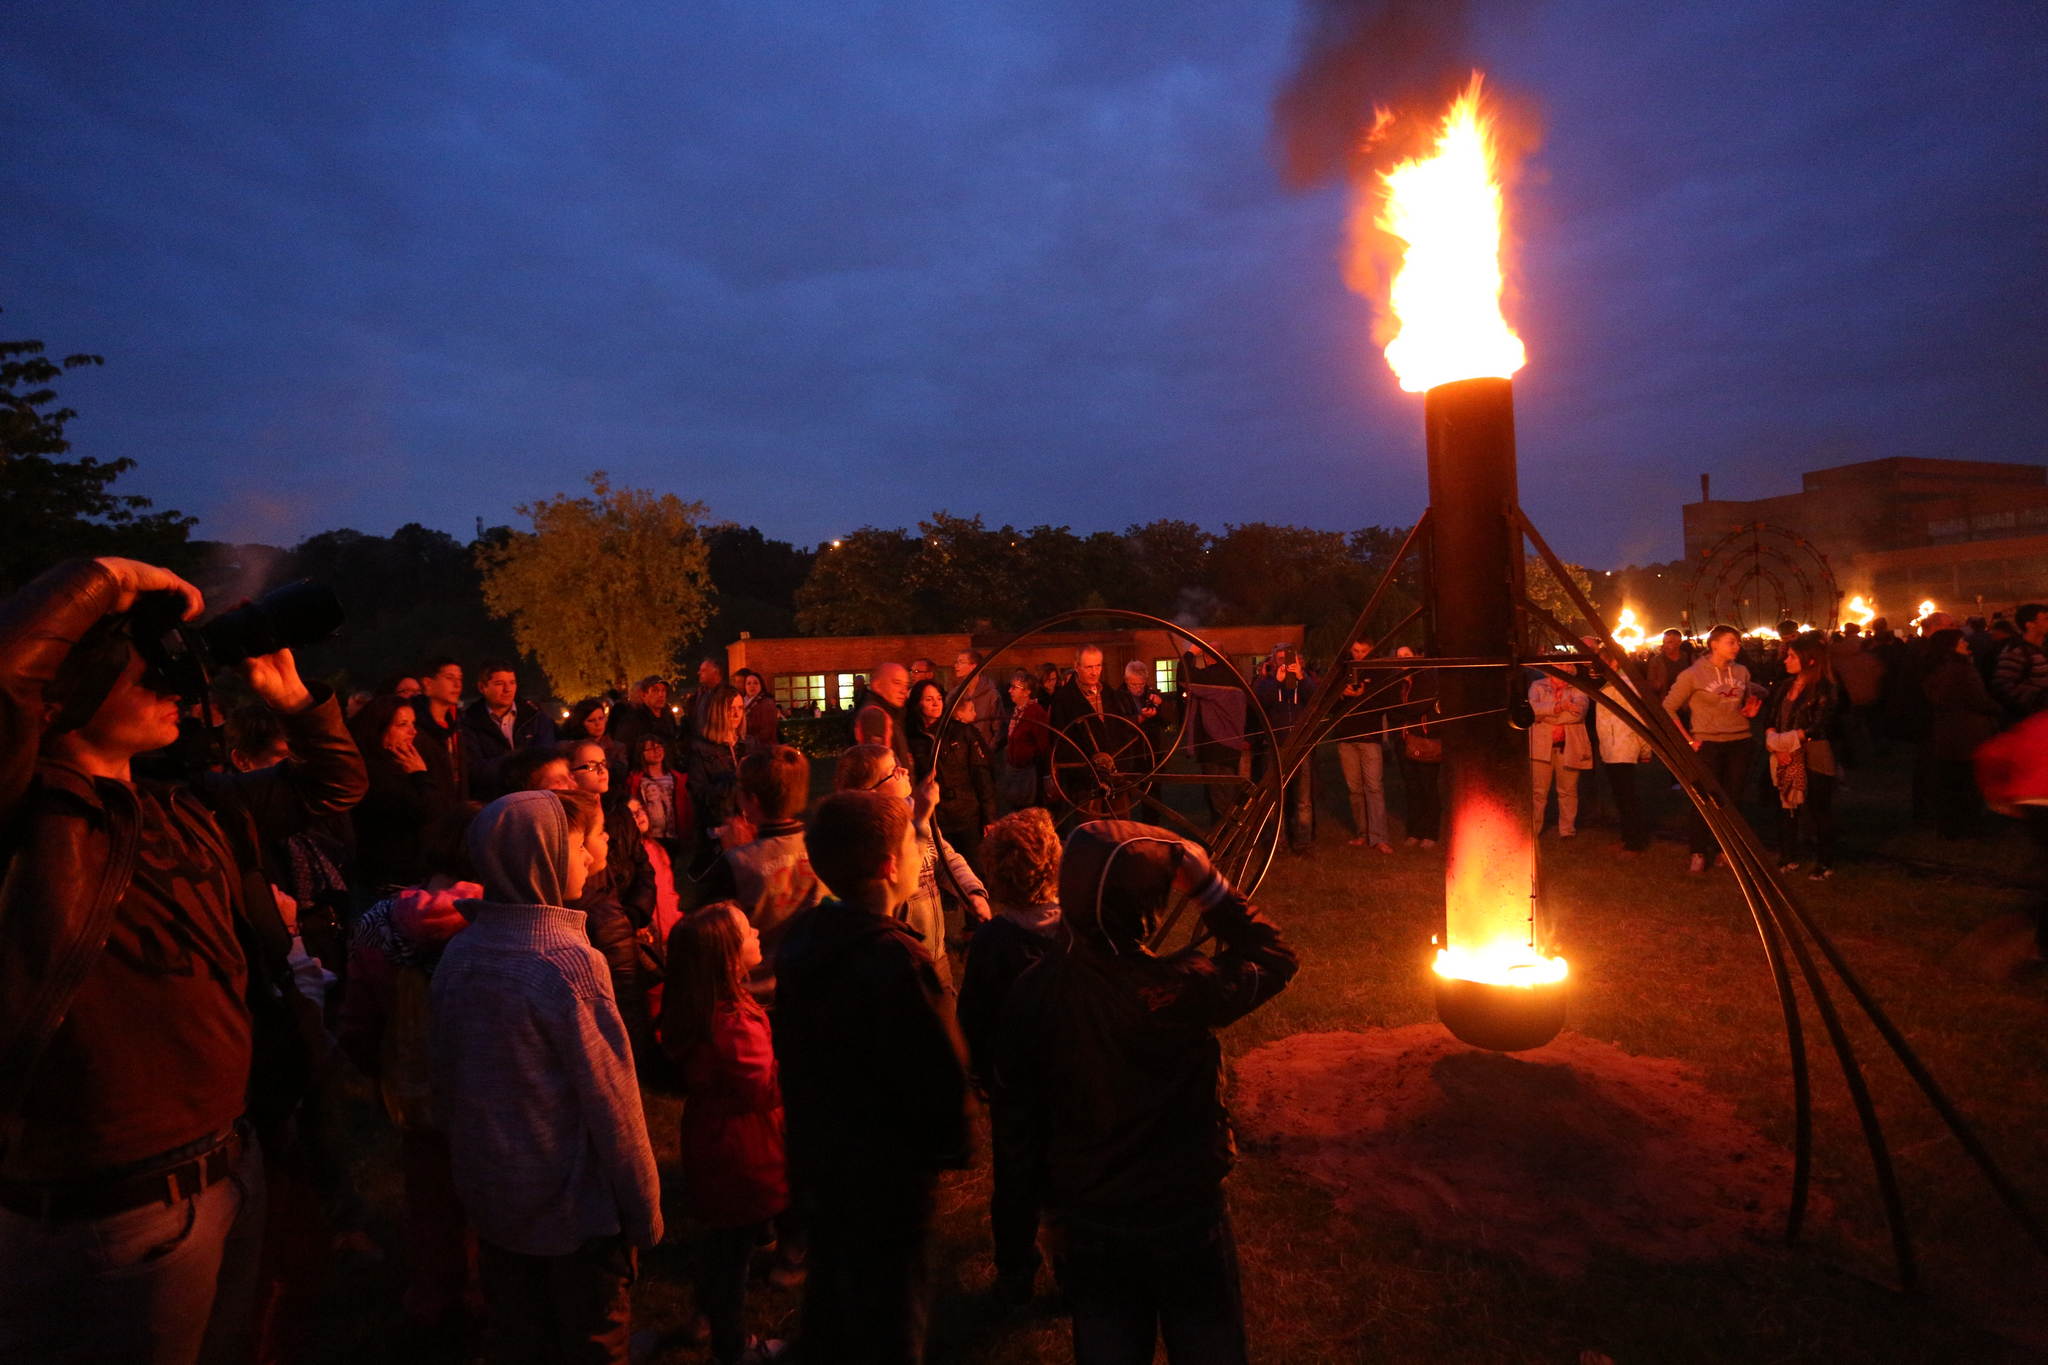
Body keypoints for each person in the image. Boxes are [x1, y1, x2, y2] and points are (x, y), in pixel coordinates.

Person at [0, 555, 367, 1365]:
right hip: (113, 1210)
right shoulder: (30, 820)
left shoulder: (189, 802)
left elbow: (334, 785)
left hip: (230, 1164)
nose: (176, 687)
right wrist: (105, 578)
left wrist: (292, 697)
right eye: (148, 673)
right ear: (68, 695)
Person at [997, 822, 1297, 1365]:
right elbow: (1275, 957)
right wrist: (1209, 887)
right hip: (1184, 1217)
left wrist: (1039, 1224)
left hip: (1090, 1219)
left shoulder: (1031, 992)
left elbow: (1019, 1126)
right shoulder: (1181, 988)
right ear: (1143, 907)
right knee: (1208, 1347)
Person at [430, 789, 662, 1365]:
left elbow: (448, 1080)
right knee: (592, 1337)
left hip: (497, 1200)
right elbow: (614, 1104)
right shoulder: (567, 964)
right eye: (580, 846)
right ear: (547, 858)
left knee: (523, 1334)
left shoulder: (461, 953)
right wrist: (644, 1210)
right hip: (573, 1213)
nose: (592, 857)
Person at [774, 790, 972, 1364]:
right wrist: (951, 1142)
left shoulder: (810, 937)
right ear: (890, 866)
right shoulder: (897, 962)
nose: (920, 855)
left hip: (822, 1158)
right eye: (913, 845)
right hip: (885, 1177)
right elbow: (938, 1071)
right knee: (891, 1313)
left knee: (835, 1290)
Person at [661, 904, 789, 1365]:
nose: (757, 930)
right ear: (730, 958)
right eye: (747, 930)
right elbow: (765, 1084)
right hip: (742, 1155)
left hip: (718, 1142)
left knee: (720, 1247)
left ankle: (702, 1317)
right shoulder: (732, 1026)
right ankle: (731, 1347)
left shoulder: (710, 1009)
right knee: (733, 1259)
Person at [955, 809, 1068, 1306]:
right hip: (1071, 1084)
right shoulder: (1079, 934)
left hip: (1015, 1088)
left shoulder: (992, 942)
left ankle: (1015, 1270)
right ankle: (1073, 1269)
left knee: (1017, 1180)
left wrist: (980, 1074)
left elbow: (973, 1015)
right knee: (1069, 1179)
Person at [834, 745, 989, 992]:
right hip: (901, 959)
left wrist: (970, 892)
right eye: (894, 770)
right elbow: (903, 872)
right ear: (871, 792)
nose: (904, 770)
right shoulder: (870, 837)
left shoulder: (914, 816)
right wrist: (921, 819)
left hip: (936, 953)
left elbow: (946, 857)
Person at [719, 746, 826, 1006]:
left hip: (760, 993)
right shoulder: (822, 847)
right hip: (816, 979)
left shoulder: (737, 863)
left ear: (752, 799)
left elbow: (716, 933)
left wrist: (735, 851)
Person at [1664, 624, 1764, 875]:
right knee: (1706, 799)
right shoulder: (1693, 674)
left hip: (1739, 741)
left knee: (1733, 799)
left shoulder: (1741, 672)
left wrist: (1749, 710)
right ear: (1714, 644)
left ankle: (1727, 850)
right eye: (1732, 642)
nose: (1737, 647)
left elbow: (1746, 700)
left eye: (1738, 642)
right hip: (1708, 743)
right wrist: (1688, 739)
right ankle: (1698, 851)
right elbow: (1667, 707)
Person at [349, 692, 461, 896]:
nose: (413, 732)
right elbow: (430, 811)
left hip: (414, 877)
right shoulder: (368, 773)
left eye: (413, 723)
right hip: (386, 881)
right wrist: (420, 775)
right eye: (402, 725)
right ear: (380, 728)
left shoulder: (405, 764)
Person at [1764, 634, 1841, 879]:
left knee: (1818, 808)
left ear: (1809, 660)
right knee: (1787, 806)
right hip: (1783, 751)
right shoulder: (1785, 686)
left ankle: (1824, 861)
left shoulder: (1824, 689)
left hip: (1813, 753)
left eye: (1792, 656)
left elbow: (1819, 725)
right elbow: (1771, 718)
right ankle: (1788, 855)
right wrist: (1777, 746)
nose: (1785, 660)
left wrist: (1788, 743)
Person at [906, 677, 996, 869]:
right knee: (944, 869)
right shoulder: (911, 738)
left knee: (974, 868)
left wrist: (989, 816)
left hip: (966, 814)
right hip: (936, 817)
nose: (936, 703)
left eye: (938, 698)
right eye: (929, 699)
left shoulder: (961, 732)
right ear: (917, 703)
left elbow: (981, 775)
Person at [1925, 627, 2002, 839]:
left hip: (1947, 733)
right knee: (1968, 783)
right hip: (1969, 732)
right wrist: (1998, 709)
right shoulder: (1963, 670)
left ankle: (1950, 826)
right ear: (1951, 647)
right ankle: (1969, 826)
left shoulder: (1936, 670)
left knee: (1951, 783)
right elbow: (1978, 700)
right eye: (1961, 642)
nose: (1967, 645)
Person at [1051, 645, 1143, 818]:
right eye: (1089, 667)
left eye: (1098, 666)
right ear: (1077, 666)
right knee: (1091, 832)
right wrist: (1087, 772)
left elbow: (1121, 730)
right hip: (1085, 783)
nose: (1094, 672)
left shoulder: (1108, 693)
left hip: (1115, 776)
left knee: (1120, 829)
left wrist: (1121, 767)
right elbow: (1060, 743)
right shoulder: (1064, 699)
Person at [1588, 641, 1655, 856]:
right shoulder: (1609, 685)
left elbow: (1641, 720)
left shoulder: (1625, 686)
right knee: (1622, 796)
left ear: (1615, 662)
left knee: (1627, 797)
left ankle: (1635, 841)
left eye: (1602, 661)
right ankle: (1628, 837)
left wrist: (1645, 749)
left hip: (1623, 748)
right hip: (1613, 749)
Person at [1253, 645, 1317, 853]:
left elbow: (1316, 700)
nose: (1284, 662)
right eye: (1280, 658)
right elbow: (1260, 703)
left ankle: (1303, 842)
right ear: (1273, 660)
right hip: (1275, 747)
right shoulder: (1265, 684)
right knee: (1274, 798)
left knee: (1302, 799)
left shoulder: (1304, 680)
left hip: (1300, 746)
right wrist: (1276, 682)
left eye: (1288, 658)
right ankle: (1276, 843)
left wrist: (1301, 677)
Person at [462, 661, 557, 799]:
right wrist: (518, 761)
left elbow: (546, 757)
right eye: (499, 684)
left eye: (512, 682)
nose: (508, 689)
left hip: (535, 795)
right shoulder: (470, 722)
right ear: (482, 687)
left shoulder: (535, 716)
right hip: (493, 799)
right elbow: (475, 769)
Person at [1334, 638, 1392, 852]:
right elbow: (1328, 702)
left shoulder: (1378, 672)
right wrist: (1342, 694)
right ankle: (1363, 833)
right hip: (1346, 737)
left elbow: (1385, 700)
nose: (1359, 655)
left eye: (1363, 651)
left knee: (1374, 787)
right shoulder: (1344, 671)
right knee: (1355, 789)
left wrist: (1363, 694)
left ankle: (1379, 836)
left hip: (1369, 736)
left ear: (1371, 650)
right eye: (1356, 651)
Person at [1182, 645, 1251, 822]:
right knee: (1227, 794)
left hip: (1217, 744)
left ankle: (1227, 843)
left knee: (1221, 799)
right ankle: (1231, 838)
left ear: (1208, 657)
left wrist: (1191, 652)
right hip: (1228, 743)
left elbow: (1184, 678)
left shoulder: (1216, 675)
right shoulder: (1233, 675)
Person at [1528, 665, 1593, 838]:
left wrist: (1546, 715)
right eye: (1558, 665)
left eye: (1566, 664)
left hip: (1568, 746)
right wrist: (1560, 706)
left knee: (1568, 790)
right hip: (1541, 747)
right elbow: (1532, 710)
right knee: (1538, 792)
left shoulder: (1578, 687)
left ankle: (1567, 830)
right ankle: (1534, 829)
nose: (1562, 668)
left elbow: (1578, 713)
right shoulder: (1537, 685)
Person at [1391, 646, 1443, 846]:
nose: (1403, 659)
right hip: (1404, 741)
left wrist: (1404, 711)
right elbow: (1390, 707)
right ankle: (1415, 830)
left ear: (1415, 657)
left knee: (1427, 786)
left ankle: (1430, 832)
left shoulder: (1426, 679)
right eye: (1399, 656)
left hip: (1425, 740)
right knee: (1412, 787)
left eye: (1406, 655)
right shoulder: (1397, 683)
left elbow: (1419, 705)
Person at [413, 657, 469, 804]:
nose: (457, 685)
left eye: (460, 679)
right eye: (450, 678)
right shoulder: (413, 728)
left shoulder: (456, 726)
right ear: (428, 683)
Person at [998, 669, 1052, 812]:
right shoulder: (1017, 711)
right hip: (1015, 771)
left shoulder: (1035, 713)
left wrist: (1046, 774)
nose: (1010, 691)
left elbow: (1043, 745)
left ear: (1027, 691)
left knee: (1026, 810)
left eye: (1015, 687)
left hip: (1027, 773)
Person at [608, 676, 680, 768]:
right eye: (655, 691)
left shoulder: (667, 716)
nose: (661, 695)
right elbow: (624, 751)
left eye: (663, 691)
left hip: (668, 772)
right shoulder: (632, 720)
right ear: (644, 695)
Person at [1992, 603, 2048, 718]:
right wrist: (2038, 701)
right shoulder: (2016, 651)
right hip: (2032, 718)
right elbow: (2003, 686)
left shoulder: (2041, 648)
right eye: (2046, 619)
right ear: (2030, 625)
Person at [855, 661, 914, 769]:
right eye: (897, 683)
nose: (903, 691)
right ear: (877, 685)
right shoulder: (875, 716)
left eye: (906, 686)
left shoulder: (891, 713)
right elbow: (880, 770)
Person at [567, 696, 629, 784]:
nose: (598, 724)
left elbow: (620, 776)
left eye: (601, 718)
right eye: (591, 720)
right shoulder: (570, 747)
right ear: (581, 723)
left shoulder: (617, 748)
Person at [954, 649, 1002, 753]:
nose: (956, 666)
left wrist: (988, 751)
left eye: (961, 662)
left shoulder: (991, 694)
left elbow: (999, 728)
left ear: (973, 666)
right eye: (956, 662)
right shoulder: (955, 694)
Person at [737, 670, 781, 753]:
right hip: (747, 747)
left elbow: (768, 730)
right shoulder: (742, 702)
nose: (752, 686)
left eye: (756, 683)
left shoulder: (767, 702)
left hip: (762, 749)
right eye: (748, 683)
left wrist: (749, 741)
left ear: (761, 685)